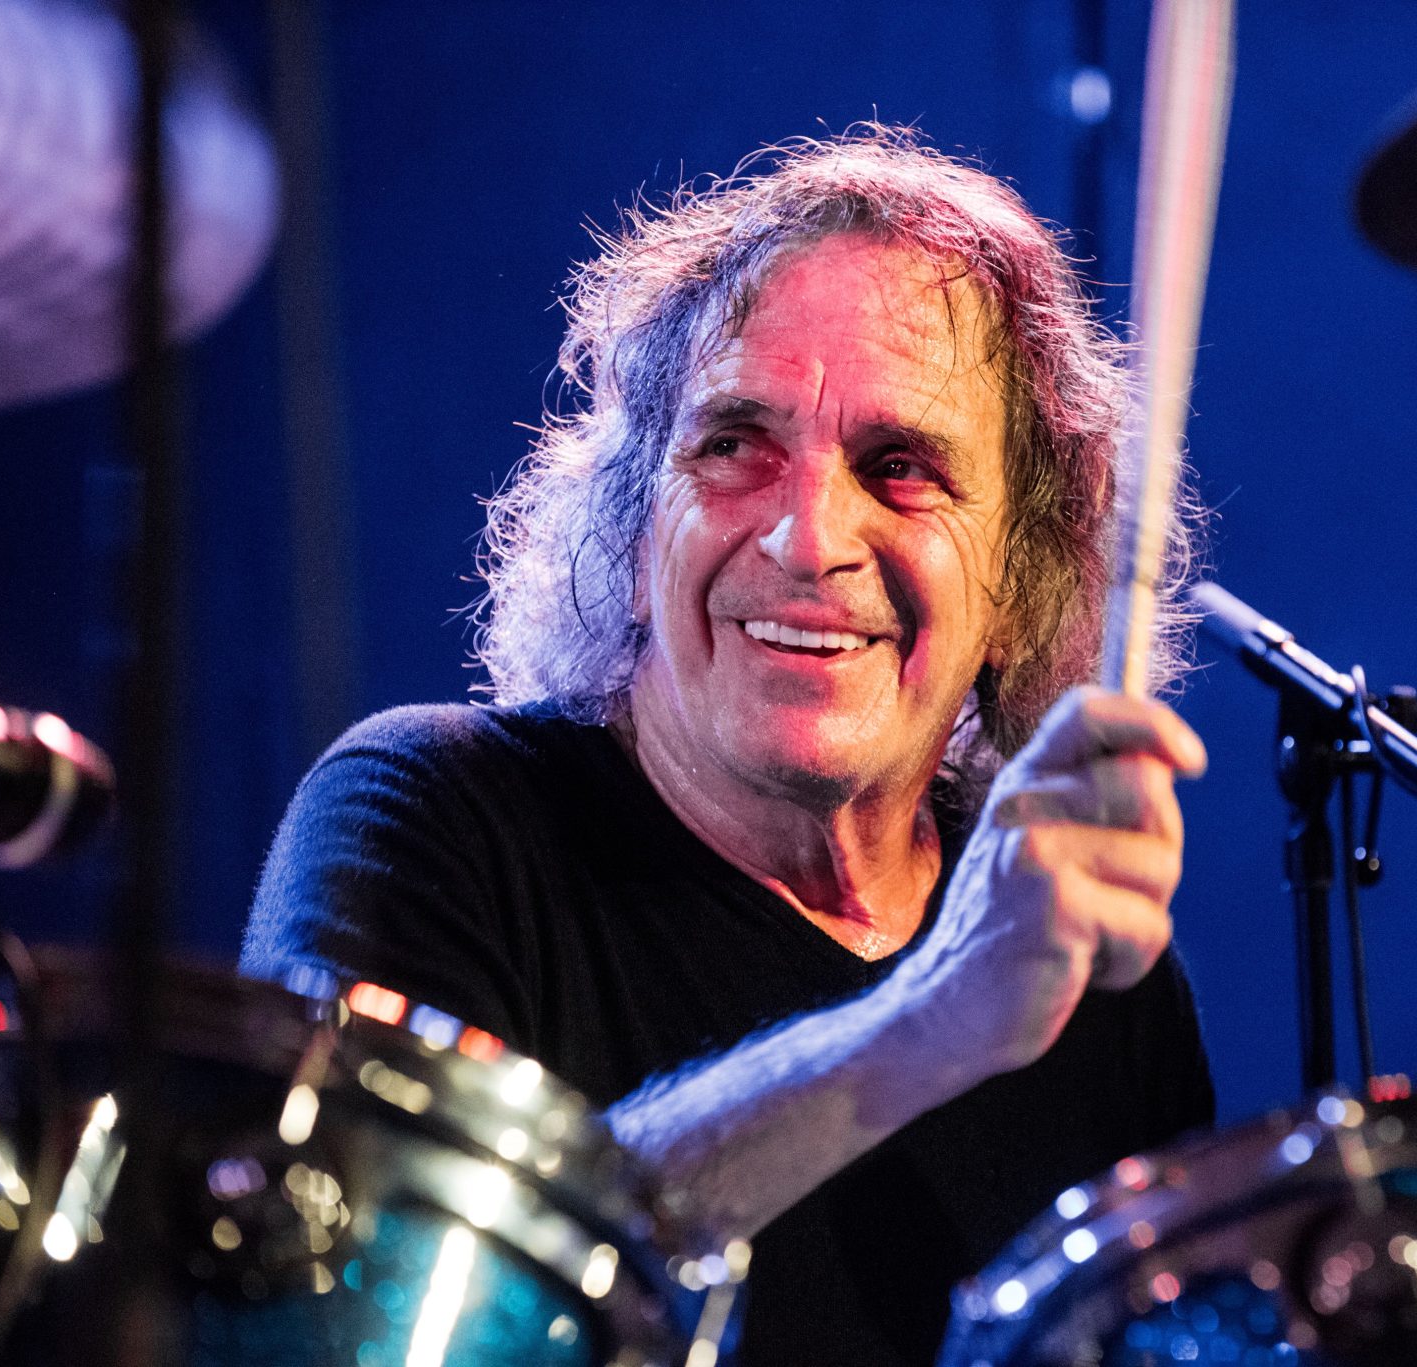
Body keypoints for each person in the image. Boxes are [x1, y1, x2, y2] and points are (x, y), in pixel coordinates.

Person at [244, 128, 1215, 1365]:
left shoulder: (1086, 958)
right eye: (734, 445)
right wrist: (933, 1015)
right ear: (634, 525)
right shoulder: (430, 813)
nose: (807, 537)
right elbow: (361, 1301)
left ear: (1020, 588)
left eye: (899, 467)